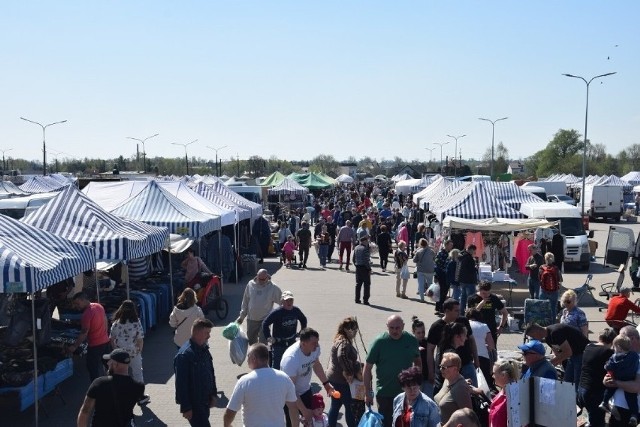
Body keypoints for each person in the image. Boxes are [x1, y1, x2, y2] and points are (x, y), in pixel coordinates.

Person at [363, 315, 421, 427]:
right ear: (387, 327)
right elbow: (367, 368)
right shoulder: (379, 342)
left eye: (398, 328)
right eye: (392, 328)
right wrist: (367, 393)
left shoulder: (411, 340)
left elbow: (418, 362)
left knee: (405, 423)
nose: (395, 331)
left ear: (403, 326)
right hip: (385, 394)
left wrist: (417, 384)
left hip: (406, 393)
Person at [224, 343, 299, 427]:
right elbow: (293, 409)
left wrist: (227, 425)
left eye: (248, 356)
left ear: (254, 359)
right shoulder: (284, 378)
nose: (247, 360)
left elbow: (230, 411)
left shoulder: (245, 381)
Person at [281, 327, 335, 427]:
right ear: (303, 343)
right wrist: (304, 410)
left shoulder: (315, 349)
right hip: (290, 396)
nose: (317, 345)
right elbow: (291, 389)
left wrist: (326, 384)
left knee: (310, 422)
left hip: (305, 390)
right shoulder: (291, 359)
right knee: (293, 424)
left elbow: (316, 364)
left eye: (317, 342)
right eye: (314, 343)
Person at [77, 349, 145, 427]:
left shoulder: (99, 383)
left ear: (115, 364)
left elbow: (85, 411)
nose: (108, 363)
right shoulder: (138, 386)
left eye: (110, 361)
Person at [427, 298, 479, 394]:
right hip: (448, 369)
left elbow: (471, 340)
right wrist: (431, 372)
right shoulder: (436, 326)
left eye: (459, 310)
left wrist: (476, 361)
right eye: (456, 310)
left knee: (472, 395)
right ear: (447, 311)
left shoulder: (463, 321)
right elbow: (430, 350)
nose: (459, 312)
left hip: (467, 364)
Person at [174, 318, 217, 427]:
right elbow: (181, 384)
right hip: (195, 404)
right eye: (207, 333)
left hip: (204, 401)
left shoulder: (204, 349)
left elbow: (210, 373)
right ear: (197, 332)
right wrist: (186, 407)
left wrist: (213, 394)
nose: (209, 336)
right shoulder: (184, 355)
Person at [525, 322, 588, 390]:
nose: (534, 339)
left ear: (536, 331)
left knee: (577, 382)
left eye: (533, 336)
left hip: (582, 352)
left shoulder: (555, 332)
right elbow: (557, 354)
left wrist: (547, 364)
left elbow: (568, 352)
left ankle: (577, 398)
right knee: (567, 381)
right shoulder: (547, 338)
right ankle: (568, 397)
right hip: (572, 355)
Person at [109, 300, 149, 405]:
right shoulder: (137, 323)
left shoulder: (116, 324)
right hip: (134, 353)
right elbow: (140, 339)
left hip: (120, 354)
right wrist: (139, 350)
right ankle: (140, 396)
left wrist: (115, 351)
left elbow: (112, 339)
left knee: (122, 375)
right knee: (137, 374)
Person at [68, 292, 111, 382]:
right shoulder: (99, 306)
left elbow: (84, 333)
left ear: (83, 300)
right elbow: (105, 320)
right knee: (109, 365)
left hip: (95, 346)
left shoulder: (86, 314)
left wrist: (75, 346)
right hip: (105, 342)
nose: (76, 306)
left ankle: (96, 391)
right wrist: (105, 334)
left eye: (77, 303)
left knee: (93, 369)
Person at [578, 328, 616, 427]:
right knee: (597, 422)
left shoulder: (588, 347)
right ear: (613, 340)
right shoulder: (608, 352)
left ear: (600, 337)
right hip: (594, 391)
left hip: (582, 388)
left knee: (591, 418)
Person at [326, 317, 360, 427]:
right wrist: (349, 372)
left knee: (335, 405)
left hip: (334, 378)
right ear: (345, 329)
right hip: (341, 381)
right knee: (350, 406)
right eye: (351, 328)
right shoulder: (344, 342)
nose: (354, 331)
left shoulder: (340, 338)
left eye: (355, 328)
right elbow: (342, 356)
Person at [603, 326, 640, 426]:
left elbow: (636, 387)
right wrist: (606, 380)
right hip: (617, 407)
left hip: (629, 410)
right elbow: (608, 376)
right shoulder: (620, 355)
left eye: (622, 337)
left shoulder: (637, 358)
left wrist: (615, 382)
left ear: (632, 339)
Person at [262, 291, 308, 369]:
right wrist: (269, 337)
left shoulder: (296, 310)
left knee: (292, 365)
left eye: (291, 300)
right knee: (276, 367)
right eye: (287, 300)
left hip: (291, 343)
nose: (289, 302)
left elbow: (303, 319)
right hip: (278, 344)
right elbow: (265, 323)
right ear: (282, 301)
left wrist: (302, 332)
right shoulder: (277, 312)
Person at [236, 269, 283, 345]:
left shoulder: (273, 287)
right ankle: (253, 356)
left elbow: (282, 302)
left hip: (265, 320)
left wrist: (280, 316)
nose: (261, 281)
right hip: (252, 319)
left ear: (267, 277)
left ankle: (263, 356)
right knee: (251, 341)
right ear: (257, 276)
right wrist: (241, 316)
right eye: (260, 279)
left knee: (262, 343)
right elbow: (245, 301)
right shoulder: (250, 284)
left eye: (263, 279)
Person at [466, 281, 508, 348]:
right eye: (484, 293)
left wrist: (501, 326)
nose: (486, 295)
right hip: (476, 329)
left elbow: (505, 313)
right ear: (479, 290)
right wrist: (482, 303)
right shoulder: (472, 298)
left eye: (488, 293)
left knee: (492, 349)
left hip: (491, 328)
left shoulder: (494, 298)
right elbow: (470, 314)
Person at [434, 352, 473, 425]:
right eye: (440, 366)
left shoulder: (461, 388)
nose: (441, 369)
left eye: (444, 367)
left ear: (455, 369)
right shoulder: (447, 380)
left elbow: (469, 417)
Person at [466, 308, 495, 391]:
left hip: (468, 358)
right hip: (483, 357)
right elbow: (491, 346)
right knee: (484, 383)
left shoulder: (464, 325)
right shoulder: (484, 326)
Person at [488, 359, 519, 427]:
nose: (492, 376)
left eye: (494, 373)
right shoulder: (504, 391)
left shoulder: (512, 398)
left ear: (503, 375)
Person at [538, 251, 562, 322]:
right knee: (553, 309)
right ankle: (553, 323)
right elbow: (560, 279)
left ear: (545, 259)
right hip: (554, 291)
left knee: (542, 308)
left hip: (543, 290)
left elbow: (539, 278)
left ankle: (542, 323)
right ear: (553, 259)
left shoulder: (541, 268)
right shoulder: (556, 268)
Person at [411, 316, 431, 396]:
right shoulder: (411, 343)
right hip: (416, 376)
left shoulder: (427, 341)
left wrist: (431, 373)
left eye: (423, 332)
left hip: (427, 374)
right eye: (418, 333)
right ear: (413, 332)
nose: (421, 335)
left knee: (428, 397)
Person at [456, 244, 478, 311]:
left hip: (462, 280)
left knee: (463, 296)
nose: (474, 252)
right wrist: (476, 268)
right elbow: (471, 270)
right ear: (471, 250)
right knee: (471, 298)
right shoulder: (469, 258)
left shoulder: (461, 256)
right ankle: (471, 311)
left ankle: (461, 311)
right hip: (469, 280)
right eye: (474, 251)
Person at [413, 238, 435, 303]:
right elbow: (434, 258)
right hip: (430, 270)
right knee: (430, 284)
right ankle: (432, 297)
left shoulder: (419, 251)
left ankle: (422, 298)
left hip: (421, 270)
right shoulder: (431, 251)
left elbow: (414, 260)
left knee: (421, 284)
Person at [434, 239, 453, 313]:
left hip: (447, 276)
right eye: (450, 245)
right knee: (440, 292)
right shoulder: (441, 253)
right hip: (441, 276)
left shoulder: (449, 253)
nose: (451, 246)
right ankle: (438, 308)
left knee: (444, 292)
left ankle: (441, 307)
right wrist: (436, 276)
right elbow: (437, 265)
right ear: (446, 245)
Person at [353, 234, 372, 305]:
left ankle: (357, 299)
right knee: (367, 284)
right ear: (364, 241)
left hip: (358, 267)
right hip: (364, 268)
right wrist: (369, 268)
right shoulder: (365, 249)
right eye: (367, 241)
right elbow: (366, 260)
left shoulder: (356, 248)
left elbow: (353, 259)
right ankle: (365, 300)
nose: (368, 242)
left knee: (358, 284)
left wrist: (356, 265)